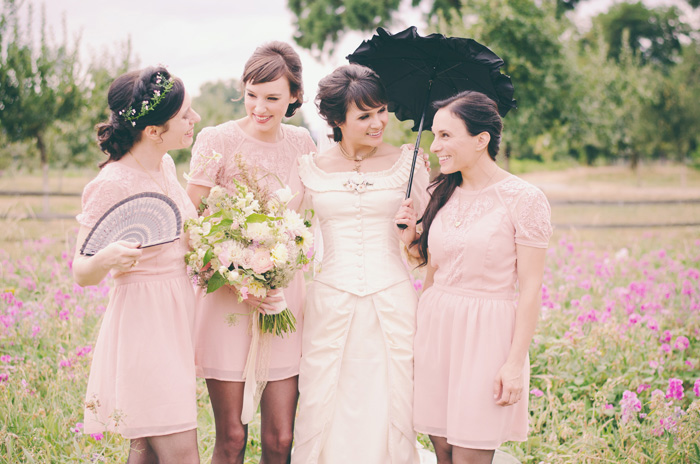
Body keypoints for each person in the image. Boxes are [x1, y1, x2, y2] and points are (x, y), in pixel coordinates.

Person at [400, 90, 553, 464]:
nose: (435, 146)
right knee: (443, 454)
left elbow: (531, 290)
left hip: (486, 337)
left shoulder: (524, 198)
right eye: (434, 135)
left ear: (481, 139)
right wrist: (409, 242)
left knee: (469, 455)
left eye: (446, 135)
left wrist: (514, 364)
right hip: (437, 331)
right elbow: (436, 269)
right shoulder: (442, 189)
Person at [290, 63, 430, 464]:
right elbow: (290, 235)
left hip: (392, 300)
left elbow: (423, 251)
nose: (378, 123)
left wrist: (411, 234)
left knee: (392, 397)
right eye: (364, 115)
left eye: (381, 111)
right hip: (330, 301)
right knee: (326, 397)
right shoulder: (310, 168)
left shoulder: (409, 163)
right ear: (337, 120)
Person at [185, 41, 316, 464]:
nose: (260, 107)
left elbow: (313, 217)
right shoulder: (215, 138)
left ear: (294, 96)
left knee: (281, 439)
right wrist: (239, 274)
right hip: (229, 297)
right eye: (252, 95)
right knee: (232, 438)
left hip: (282, 299)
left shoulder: (303, 144)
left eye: (273, 98)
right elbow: (192, 222)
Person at [73, 66, 201, 464]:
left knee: (144, 451)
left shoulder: (163, 166)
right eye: (185, 115)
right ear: (153, 131)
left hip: (176, 313)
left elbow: (188, 233)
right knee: (181, 454)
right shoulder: (113, 182)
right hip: (144, 323)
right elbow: (81, 270)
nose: (194, 119)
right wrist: (108, 257)